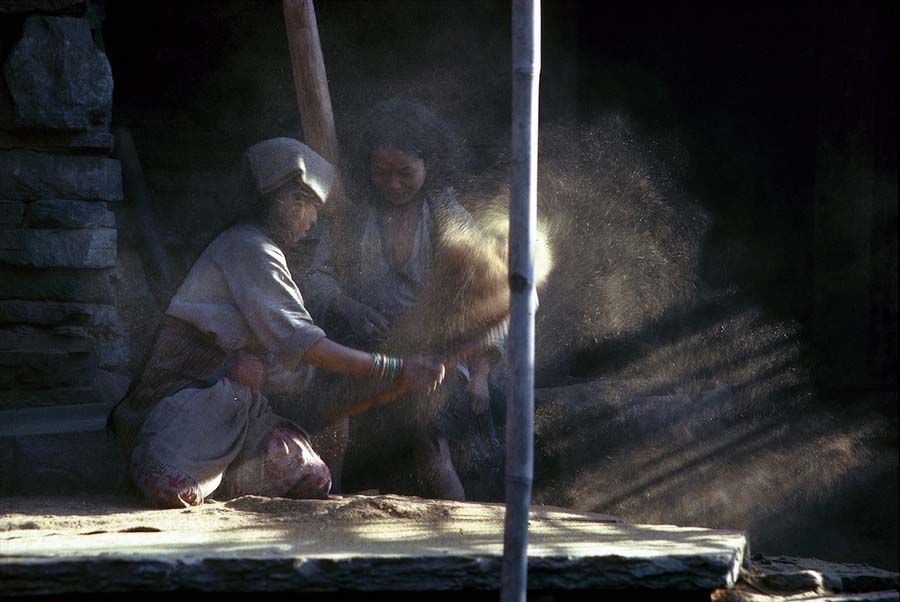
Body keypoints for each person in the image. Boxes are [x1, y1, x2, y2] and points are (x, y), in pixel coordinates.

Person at [107, 137, 447, 509]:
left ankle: (252, 482)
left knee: (310, 475)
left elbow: (287, 361)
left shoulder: (259, 248)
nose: (313, 219)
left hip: (237, 405)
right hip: (188, 401)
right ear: (285, 201)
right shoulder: (248, 249)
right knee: (175, 484)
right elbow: (306, 344)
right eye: (309, 205)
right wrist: (396, 369)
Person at [276, 99, 506, 501]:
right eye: (382, 173)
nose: (393, 183)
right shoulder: (354, 218)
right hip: (367, 348)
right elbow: (316, 277)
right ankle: (332, 500)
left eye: (405, 173)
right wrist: (350, 307)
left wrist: (481, 375)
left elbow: (488, 297)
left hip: (433, 355)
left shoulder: (445, 216)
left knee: (431, 441)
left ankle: (459, 528)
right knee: (335, 406)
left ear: (428, 164)